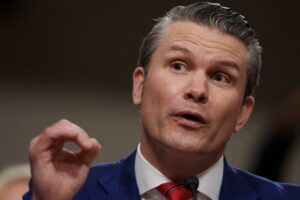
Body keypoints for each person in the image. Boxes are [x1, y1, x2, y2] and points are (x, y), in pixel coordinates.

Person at [23, 2, 300, 200]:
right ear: (139, 86)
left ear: (242, 112)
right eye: (179, 66)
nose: (197, 90)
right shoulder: (67, 194)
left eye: (220, 77)